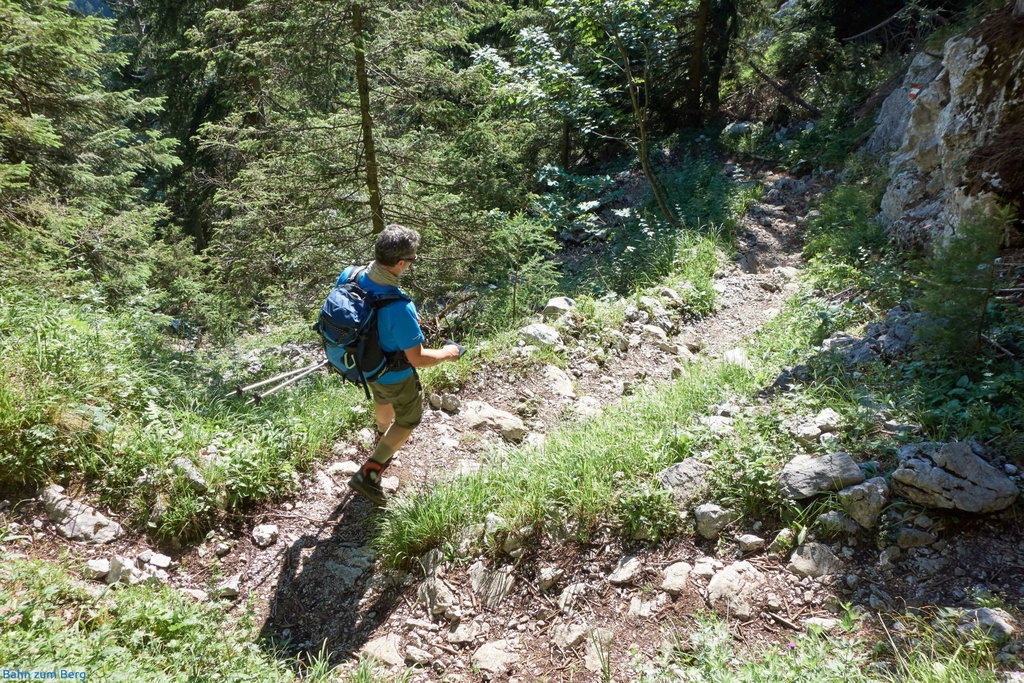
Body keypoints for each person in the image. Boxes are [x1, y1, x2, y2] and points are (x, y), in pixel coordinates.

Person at [343, 224, 465, 505]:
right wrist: (449, 352)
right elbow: (418, 358)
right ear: (401, 263)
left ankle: (381, 434)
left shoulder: (352, 275)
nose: (412, 263)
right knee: (409, 419)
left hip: (365, 363)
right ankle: (370, 472)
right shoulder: (399, 307)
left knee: (382, 398)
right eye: (412, 259)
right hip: (393, 372)